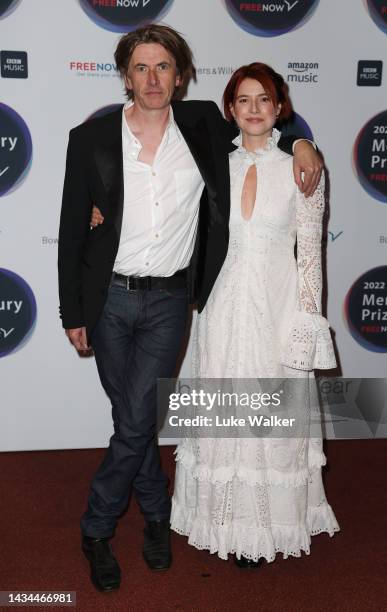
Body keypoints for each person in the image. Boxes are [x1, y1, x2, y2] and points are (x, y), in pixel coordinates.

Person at [58, 24, 322, 592]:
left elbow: (268, 113)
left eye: (163, 68)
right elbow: (71, 232)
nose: (153, 79)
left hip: (171, 301)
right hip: (106, 299)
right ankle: (156, 513)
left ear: (180, 76)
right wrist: (70, 312)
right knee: (131, 420)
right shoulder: (91, 138)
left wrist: (303, 142)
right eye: (141, 68)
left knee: (135, 418)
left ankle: (97, 528)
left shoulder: (203, 124)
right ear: (125, 75)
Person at [170, 63, 340, 567]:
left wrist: (307, 322)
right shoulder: (212, 164)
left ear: (279, 107)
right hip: (221, 304)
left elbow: (310, 254)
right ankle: (221, 519)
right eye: (243, 100)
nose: (254, 109)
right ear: (230, 110)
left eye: (264, 99)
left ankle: (264, 525)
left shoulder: (301, 166)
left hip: (277, 302)